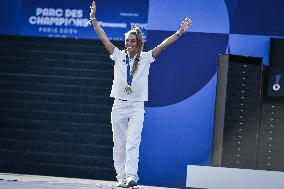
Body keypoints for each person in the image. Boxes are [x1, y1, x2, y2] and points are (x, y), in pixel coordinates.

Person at [89, 1, 191, 187]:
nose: (128, 44)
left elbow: (163, 45)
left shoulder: (146, 58)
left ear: (138, 43)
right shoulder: (118, 55)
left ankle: (131, 177)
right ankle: (121, 178)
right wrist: (94, 19)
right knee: (119, 144)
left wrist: (180, 32)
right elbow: (103, 37)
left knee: (132, 142)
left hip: (136, 106)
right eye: (127, 40)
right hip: (119, 105)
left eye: (132, 41)